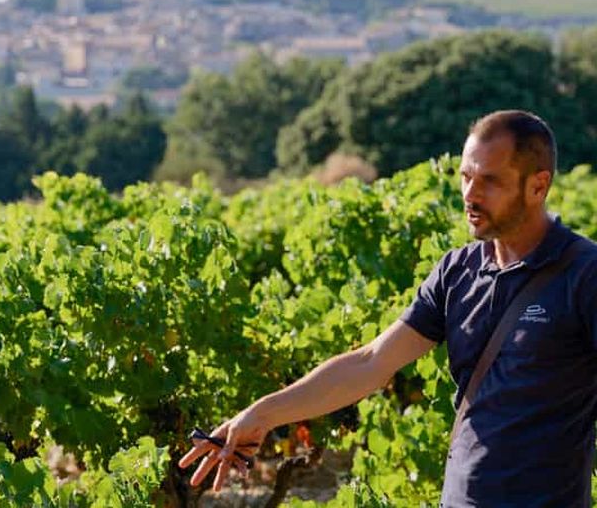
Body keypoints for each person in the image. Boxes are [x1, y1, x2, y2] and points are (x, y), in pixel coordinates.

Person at [178, 110, 597, 507]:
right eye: (465, 177)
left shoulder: (584, 275)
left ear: (538, 186)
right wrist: (262, 414)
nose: (470, 194)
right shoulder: (457, 271)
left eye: (489, 181)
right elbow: (371, 362)